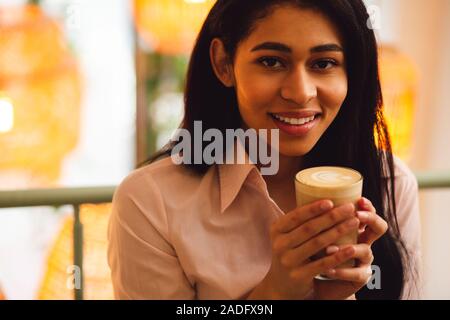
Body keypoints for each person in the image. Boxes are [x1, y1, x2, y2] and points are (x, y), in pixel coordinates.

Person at [107, 0, 422, 300]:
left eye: (324, 63)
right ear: (223, 64)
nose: (300, 93)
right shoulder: (149, 202)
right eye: (271, 62)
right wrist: (274, 293)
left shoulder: (390, 183)